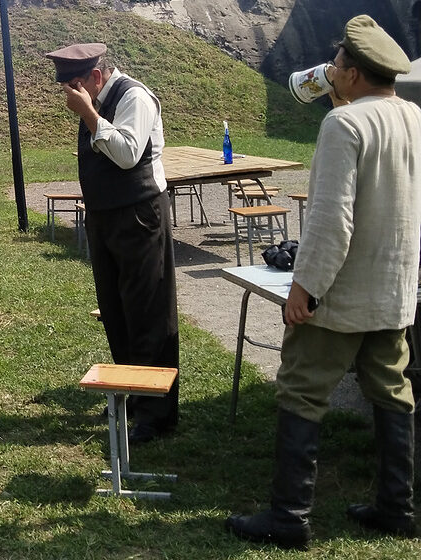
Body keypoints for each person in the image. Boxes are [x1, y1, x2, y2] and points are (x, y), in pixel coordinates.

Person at [226, 15, 421, 548]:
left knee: (301, 391)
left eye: (337, 65)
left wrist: (304, 287)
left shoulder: (344, 126)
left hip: (340, 294)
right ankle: (395, 507)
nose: (330, 71)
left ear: (354, 75)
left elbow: (332, 220)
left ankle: (289, 517)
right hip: (393, 291)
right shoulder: (412, 116)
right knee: (391, 393)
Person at [46, 43, 179, 443]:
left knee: (147, 312)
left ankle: (155, 415)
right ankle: (132, 397)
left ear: (95, 78)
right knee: (116, 309)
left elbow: (126, 154)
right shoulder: (99, 98)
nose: (70, 94)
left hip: (139, 216)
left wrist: (89, 114)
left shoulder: (134, 97)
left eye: (74, 84)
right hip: (107, 218)